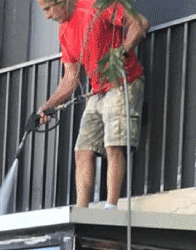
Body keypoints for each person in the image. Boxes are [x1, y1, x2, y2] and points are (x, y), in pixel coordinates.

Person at [35, 0, 149, 210]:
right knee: (83, 150)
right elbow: (70, 78)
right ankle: (81, 210)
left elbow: (140, 23)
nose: (47, 16)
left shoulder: (95, 5)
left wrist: (122, 52)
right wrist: (47, 106)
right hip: (97, 92)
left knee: (113, 144)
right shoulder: (64, 31)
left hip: (123, 82)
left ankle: (111, 207)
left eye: (48, 9)